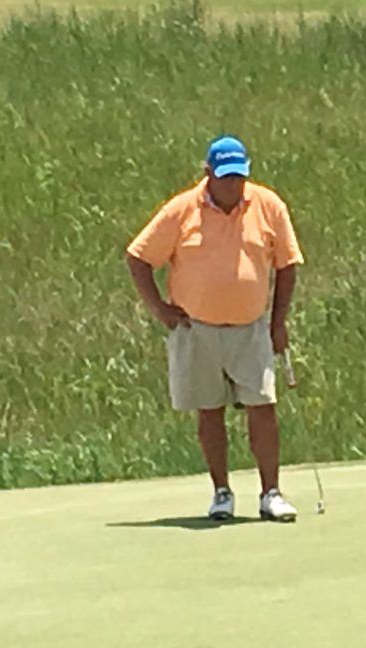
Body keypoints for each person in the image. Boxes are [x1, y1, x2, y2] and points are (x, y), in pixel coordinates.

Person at [125, 135, 303, 523]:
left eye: (239, 177)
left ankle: (270, 492)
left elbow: (287, 264)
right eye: (225, 178)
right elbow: (138, 257)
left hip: (250, 326)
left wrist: (278, 323)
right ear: (208, 174)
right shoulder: (181, 210)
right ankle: (221, 492)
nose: (233, 186)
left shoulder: (267, 205)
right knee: (209, 410)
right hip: (198, 329)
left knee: (262, 406)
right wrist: (160, 310)